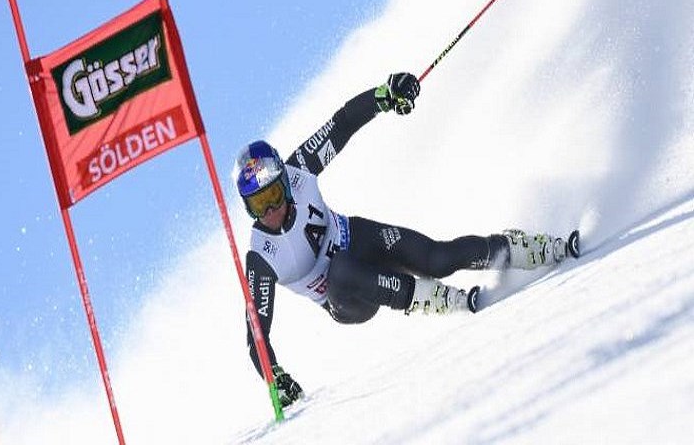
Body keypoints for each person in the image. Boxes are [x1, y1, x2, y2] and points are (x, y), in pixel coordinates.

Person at [234, 72, 579, 407]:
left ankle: (518, 248)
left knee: (438, 259)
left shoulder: (299, 170)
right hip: (347, 297)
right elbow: (256, 333)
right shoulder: (262, 257)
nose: (272, 211)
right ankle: (431, 298)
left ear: (284, 180)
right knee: (340, 269)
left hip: (359, 238)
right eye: (259, 205)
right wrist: (273, 376)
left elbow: (341, 124)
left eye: (275, 195)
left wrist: (384, 95)